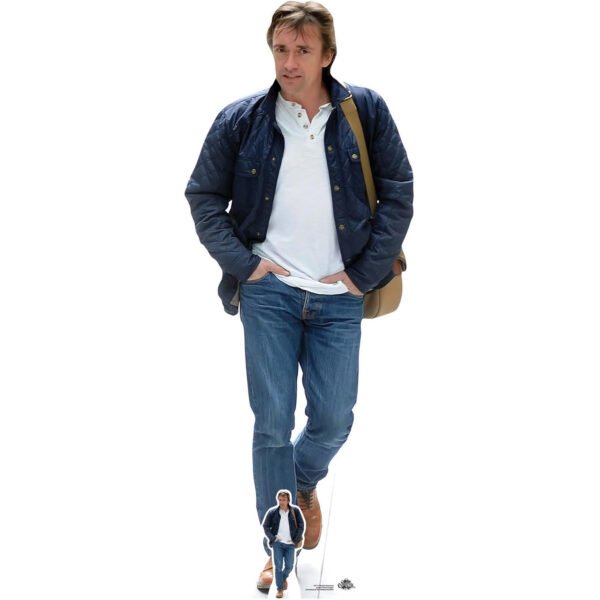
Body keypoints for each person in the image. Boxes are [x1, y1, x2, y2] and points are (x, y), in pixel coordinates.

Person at [185, 1, 413, 592]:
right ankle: (278, 549)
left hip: (338, 296)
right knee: (271, 423)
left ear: (327, 55)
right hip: (270, 295)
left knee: (334, 419)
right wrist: (245, 265)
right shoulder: (241, 119)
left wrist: (363, 273)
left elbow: (399, 191)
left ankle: (301, 482)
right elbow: (203, 196)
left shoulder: (365, 111)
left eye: (303, 51)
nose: (289, 63)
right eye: (281, 50)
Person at [262, 490, 305, 598]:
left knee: (290, 566)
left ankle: (282, 578)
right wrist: (273, 538)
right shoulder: (273, 512)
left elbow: (301, 525)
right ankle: (280, 589)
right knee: (278, 567)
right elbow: (265, 526)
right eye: (280, 500)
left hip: (290, 544)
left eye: (284, 500)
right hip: (278, 544)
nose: (281, 502)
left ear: (288, 500)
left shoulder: (295, 511)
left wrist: (295, 540)